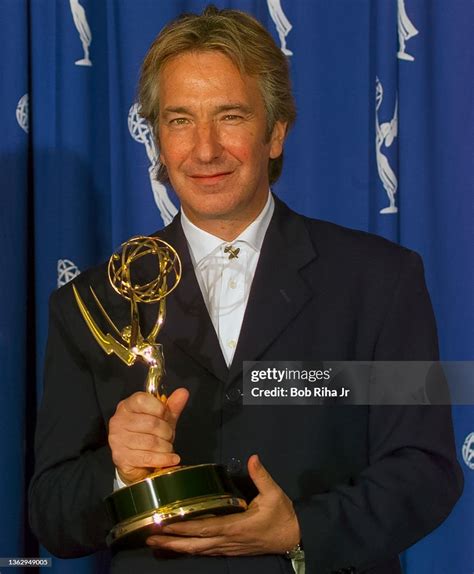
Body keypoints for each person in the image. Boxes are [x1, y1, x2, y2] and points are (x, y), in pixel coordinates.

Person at [29, 5, 463, 574]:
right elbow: (53, 516)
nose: (204, 149)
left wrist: (301, 530)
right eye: (180, 120)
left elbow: (427, 468)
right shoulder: (90, 305)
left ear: (276, 131)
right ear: (157, 137)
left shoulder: (380, 280)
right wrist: (118, 469)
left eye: (230, 116)